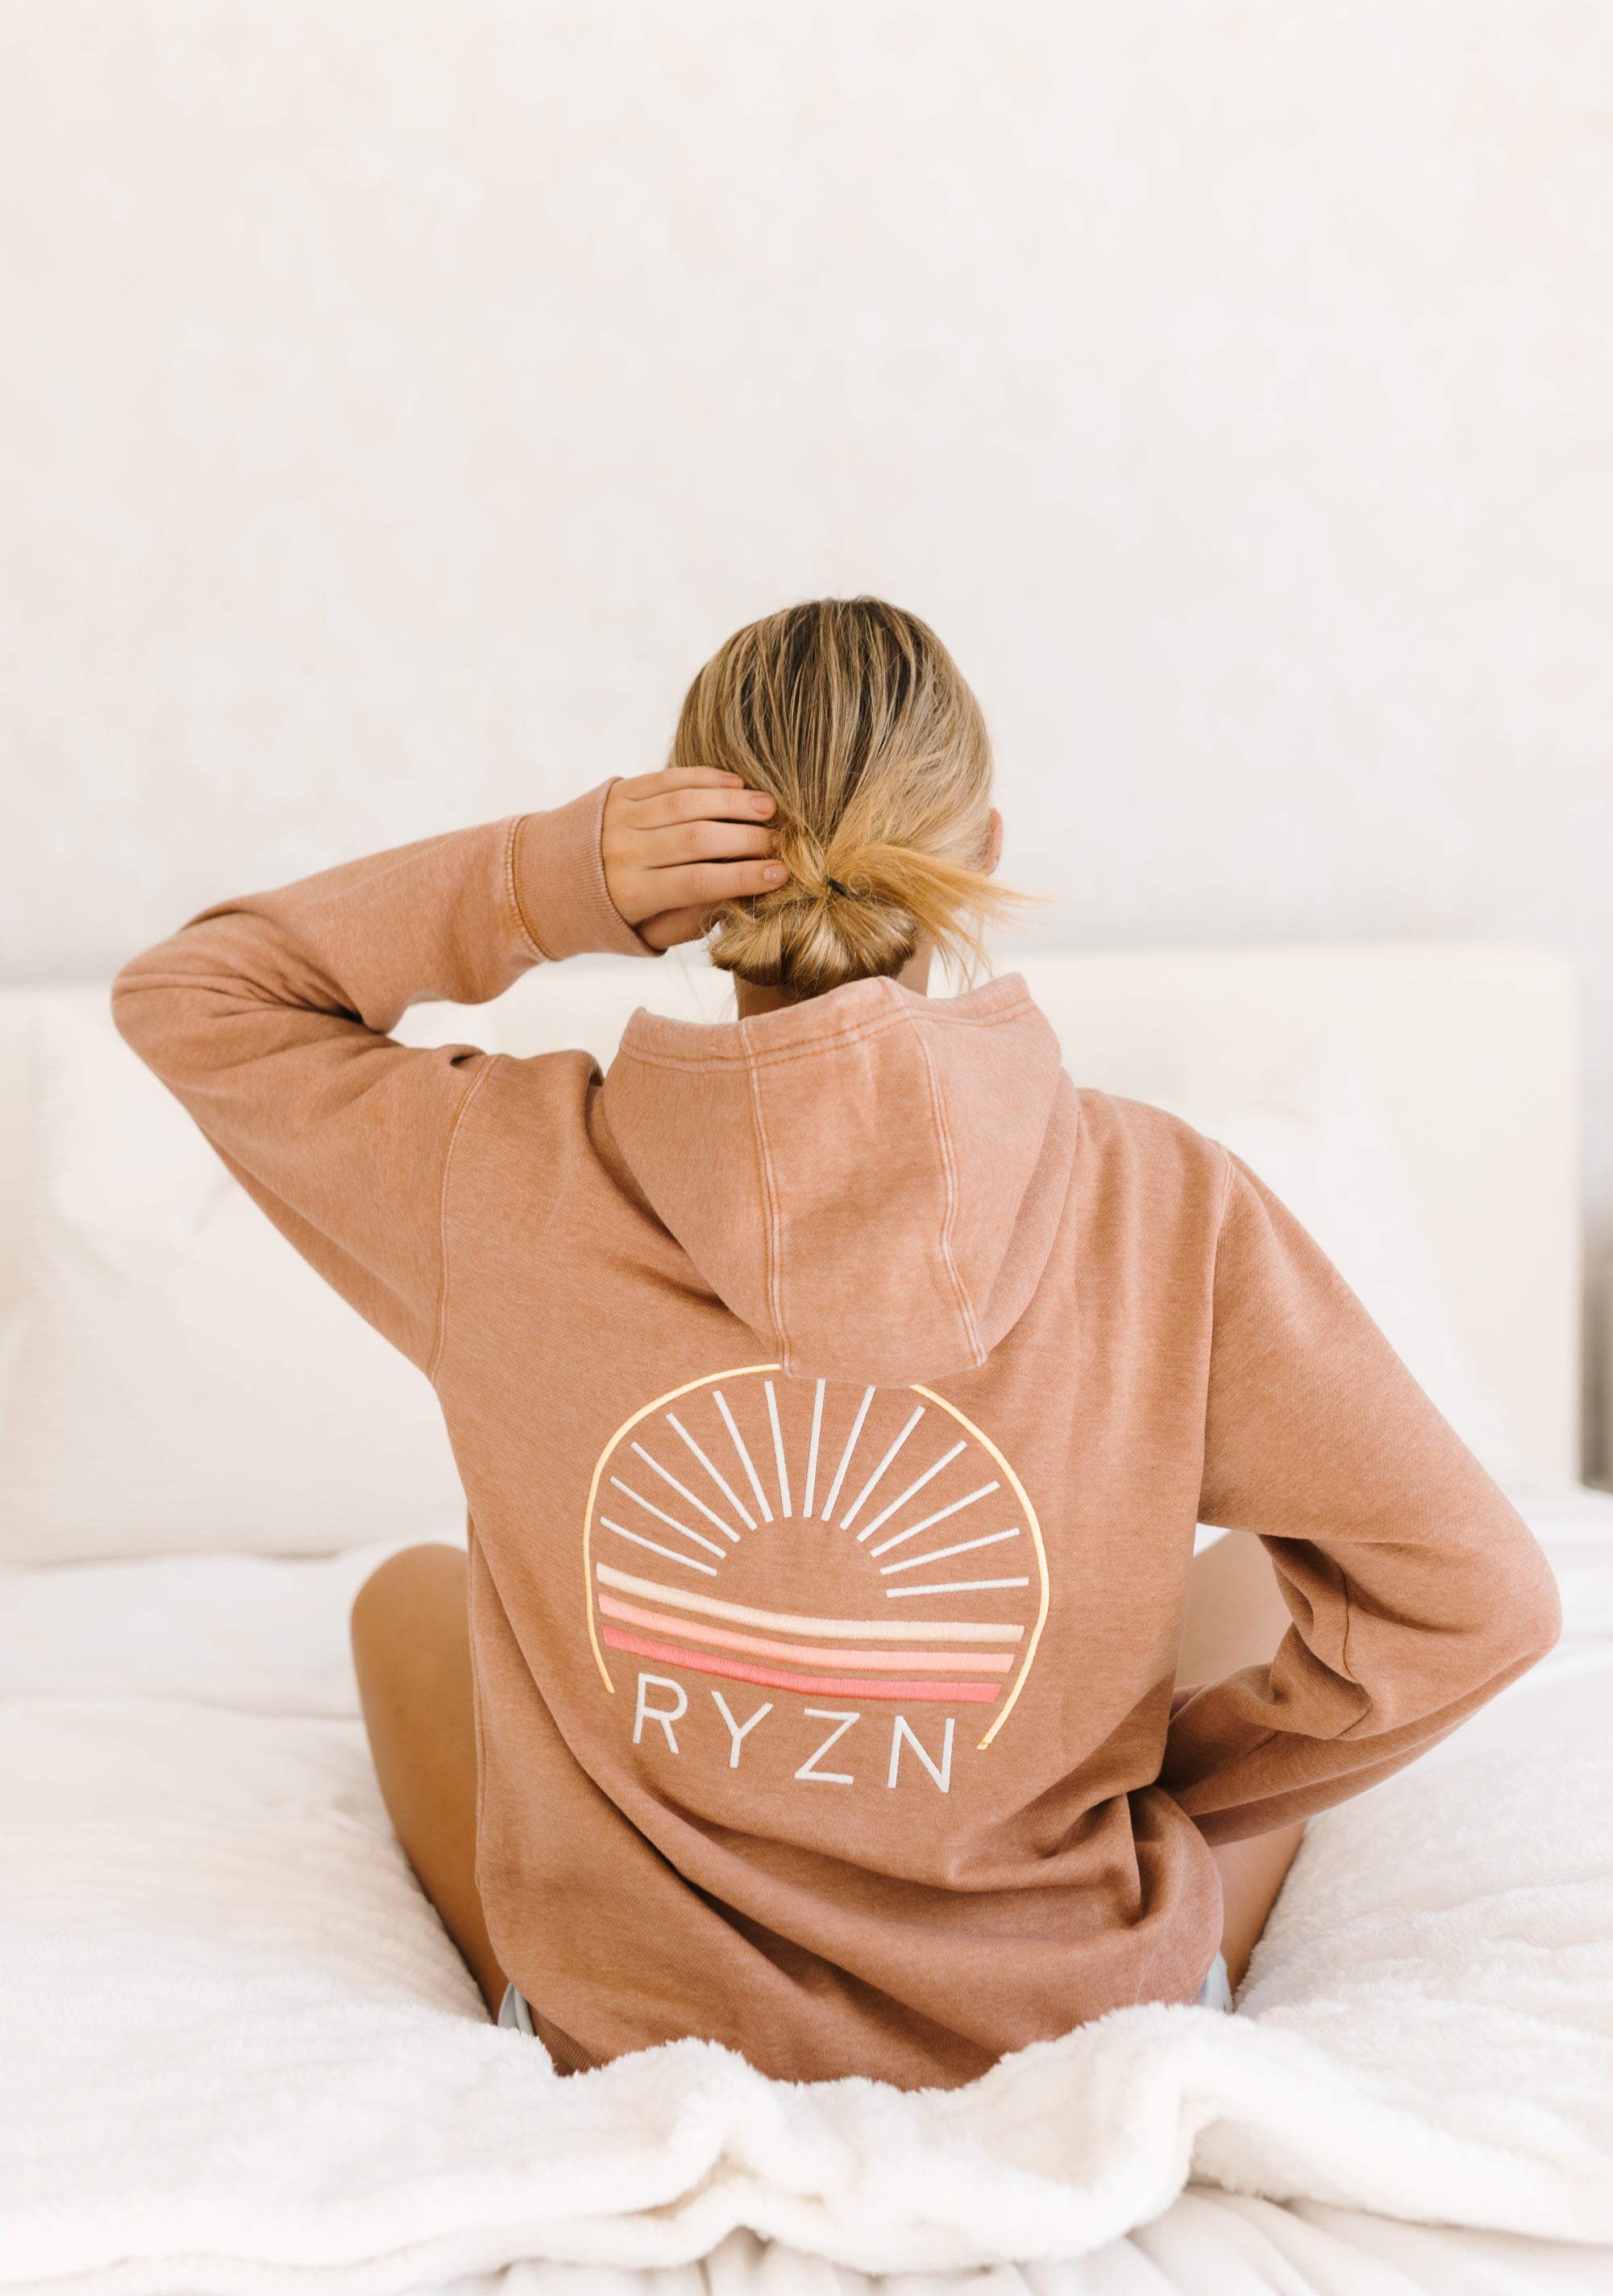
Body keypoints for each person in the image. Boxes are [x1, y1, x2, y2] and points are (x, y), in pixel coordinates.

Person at [113, 597, 1560, 2086]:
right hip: (1068, 2016)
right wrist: (1143, 1794)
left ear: (686, 873)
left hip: (646, 2030)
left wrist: (551, 877)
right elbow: (1478, 1602)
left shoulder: (490, 1174)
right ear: (977, 851)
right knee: (1264, 1575)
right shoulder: (1165, 1200)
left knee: (406, 1596)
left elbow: (194, 995)